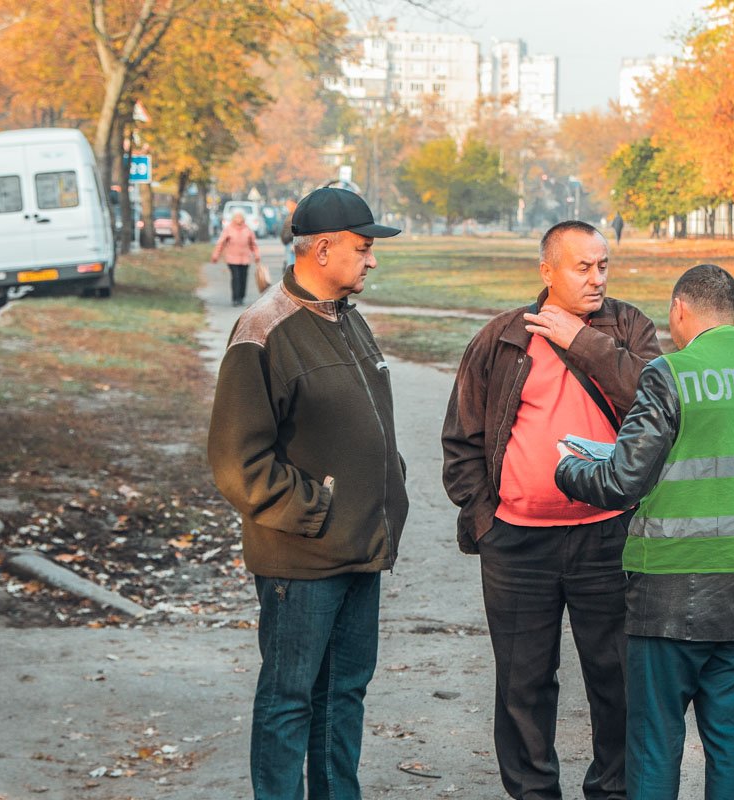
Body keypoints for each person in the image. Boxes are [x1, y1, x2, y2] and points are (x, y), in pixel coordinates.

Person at [555, 264, 734, 800]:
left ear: (680, 311)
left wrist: (567, 471)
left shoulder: (669, 373)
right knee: (730, 738)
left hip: (666, 586)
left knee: (655, 741)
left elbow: (623, 479)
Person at [441, 220, 660, 800]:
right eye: (582, 267)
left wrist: (581, 340)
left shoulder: (628, 326)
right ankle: (534, 793)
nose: (597, 278)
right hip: (516, 543)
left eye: (603, 265)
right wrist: (486, 519)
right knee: (524, 684)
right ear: (547, 272)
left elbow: (656, 399)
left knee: (617, 679)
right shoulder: (502, 337)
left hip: (607, 534)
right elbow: (461, 438)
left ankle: (612, 791)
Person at [207, 187, 408, 799]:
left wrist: (385, 485)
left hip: (359, 553)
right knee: (290, 701)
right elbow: (235, 461)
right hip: (303, 560)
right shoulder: (265, 329)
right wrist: (314, 510)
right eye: (363, 248)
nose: (372, 260)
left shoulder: (346, 317)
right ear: (323, 249)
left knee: (342, 697)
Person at [211, 211, 261, 306]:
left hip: (245, 259)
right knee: (236, 277)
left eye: (240, 217)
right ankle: (235, 298)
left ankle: (241, 297)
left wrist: (257, 255)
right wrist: (215, 255)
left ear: (243, 219)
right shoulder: (228, 229)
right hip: (232, 259)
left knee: (243, 278)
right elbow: (220, 243)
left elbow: (253, 244)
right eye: (237, 218)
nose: (239, 220)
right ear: (233, 219)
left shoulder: (248, 230)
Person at [280, 198, 298, 269]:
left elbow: (296, 229)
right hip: (288, 243)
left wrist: (293, 241)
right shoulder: (290, 214)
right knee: (288, 264)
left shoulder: (297, 214)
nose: (287, 207)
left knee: (291, 266)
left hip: (292, 243)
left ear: (294, 204)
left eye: (289, 205)